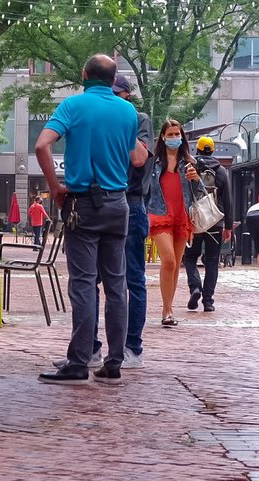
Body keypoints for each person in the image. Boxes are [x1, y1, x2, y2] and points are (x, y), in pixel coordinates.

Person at [34, 54, 147, 386]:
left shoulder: (72, 106)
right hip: (118, 204)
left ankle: (79, 361)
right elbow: (137, 157)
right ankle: (114, 361)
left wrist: (55, 187)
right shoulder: (128, 111)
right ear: (113, 81)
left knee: (83, 284)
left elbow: (42, 145)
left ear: (84, 75)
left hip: (82, 202)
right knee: (117, 285)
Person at [113, 74, 153, 368]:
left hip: (131, 202)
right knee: (93, 279)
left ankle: (132, 348)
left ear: (127, 95)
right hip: (100, 200)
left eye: (117, 94)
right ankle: (89, 347)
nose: (112, 98)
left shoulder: (138, 119)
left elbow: (139, 159)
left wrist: (119, 123)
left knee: (133, 278)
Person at [147, 120, 202, 327]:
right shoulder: (153, 162)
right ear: (162, 137)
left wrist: (196, 179)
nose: (173, 138)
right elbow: (145, 188)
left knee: (176, 265)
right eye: (169, 135)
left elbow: (199, 193)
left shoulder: (188, 162)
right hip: (159, 214)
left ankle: (168, 310)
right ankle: (165, 308)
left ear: (182, 137)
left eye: (176, 134)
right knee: (168, 261)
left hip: (182, 216)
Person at [182, 136, 234, 312]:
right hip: (215, 221)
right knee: (212, 261)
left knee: (189, 257)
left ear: (197, 150)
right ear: (212, 150)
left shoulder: (190, 167)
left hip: (195, 221)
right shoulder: (220, 171)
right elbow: (227, 200)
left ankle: (195, 286)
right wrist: (228, 226)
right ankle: (208, 301)